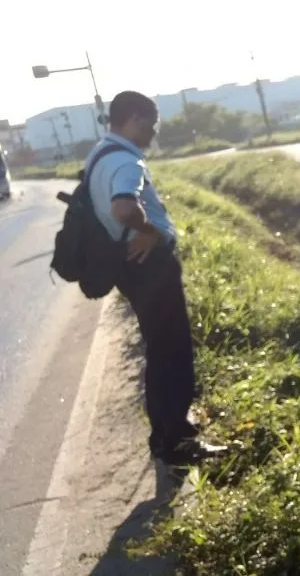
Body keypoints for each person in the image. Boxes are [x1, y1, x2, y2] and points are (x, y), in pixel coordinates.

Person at [85, 91, 224, 468]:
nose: (154, 130)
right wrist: (149, 230)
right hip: (149, 263)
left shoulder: (98, 156)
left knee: (159, 349)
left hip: (128, 265)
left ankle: (164, 434)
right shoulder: (127, 161)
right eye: (152, 122)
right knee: (173, 351)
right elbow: (123, 207)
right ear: (134, 119)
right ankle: (176, 441)